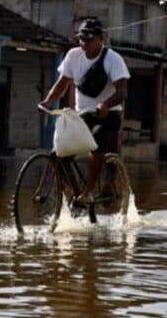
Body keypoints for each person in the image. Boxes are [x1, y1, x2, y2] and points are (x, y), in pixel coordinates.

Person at [39, 18, 130, 204]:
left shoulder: (113, 59)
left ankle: (88, 191)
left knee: (95, 146)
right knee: (58, 155)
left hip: (108, 114)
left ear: (100, 38)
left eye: (88, 40)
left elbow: (122, 91)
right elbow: (62, 84)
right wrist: (47, 101)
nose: (84, 44)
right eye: (81, 39)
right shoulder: (73, 55)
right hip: (83, 115)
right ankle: (75, 190)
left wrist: (105, 104)